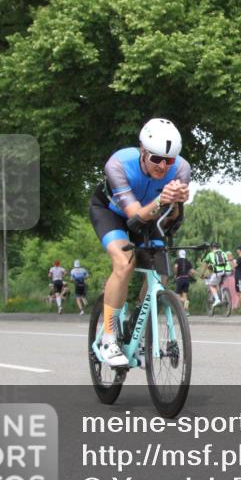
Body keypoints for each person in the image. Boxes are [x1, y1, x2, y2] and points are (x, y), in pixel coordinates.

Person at [89, 118, 190, 366]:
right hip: (111, 213)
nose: (163, 166)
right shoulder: (118, 164)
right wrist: (161, 200)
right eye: (156, 159)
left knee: (161, 273)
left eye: (169, 160)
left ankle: (138, 328)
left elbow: (171, 219)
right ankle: (109, 337)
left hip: (151, 216)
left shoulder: (181, 169)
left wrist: (176, 203)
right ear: (143, 151)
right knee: (125, 263)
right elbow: (134, 216)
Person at [198, 243, 227, 308]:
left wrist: (202, 274)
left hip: (217, 272)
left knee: (211, 285)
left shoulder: (210, 254)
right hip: (226, 272)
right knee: (220, 284)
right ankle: (223, 297)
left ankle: (217, 300)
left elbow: (206, 265)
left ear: (212, 248)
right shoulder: (223, 253)